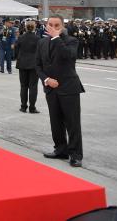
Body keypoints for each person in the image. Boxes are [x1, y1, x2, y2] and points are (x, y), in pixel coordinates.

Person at [35, 14, 84, 168]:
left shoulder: (71, 41)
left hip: (69, 88)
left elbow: (68, 56)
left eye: (57, 25)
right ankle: (61, 150)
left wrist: (57, 38)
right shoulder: (42, 42)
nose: (53, 28)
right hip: (51, 88)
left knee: (72, 123)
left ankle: (75, 154)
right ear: (45, 25)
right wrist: (46, 80)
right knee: (56, 123)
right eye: (50, 24)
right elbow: (38, 66)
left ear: (62, 27)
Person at [16, 20, 40, 113]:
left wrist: (20, 57)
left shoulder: (21, 37)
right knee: (33, 86)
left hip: (22, 64)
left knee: (23, 86)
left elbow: (16, 49)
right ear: (34, 27)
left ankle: (23, 107)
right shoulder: (38, 38)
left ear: (25, 27)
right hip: (34, 65)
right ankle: (32, 107)